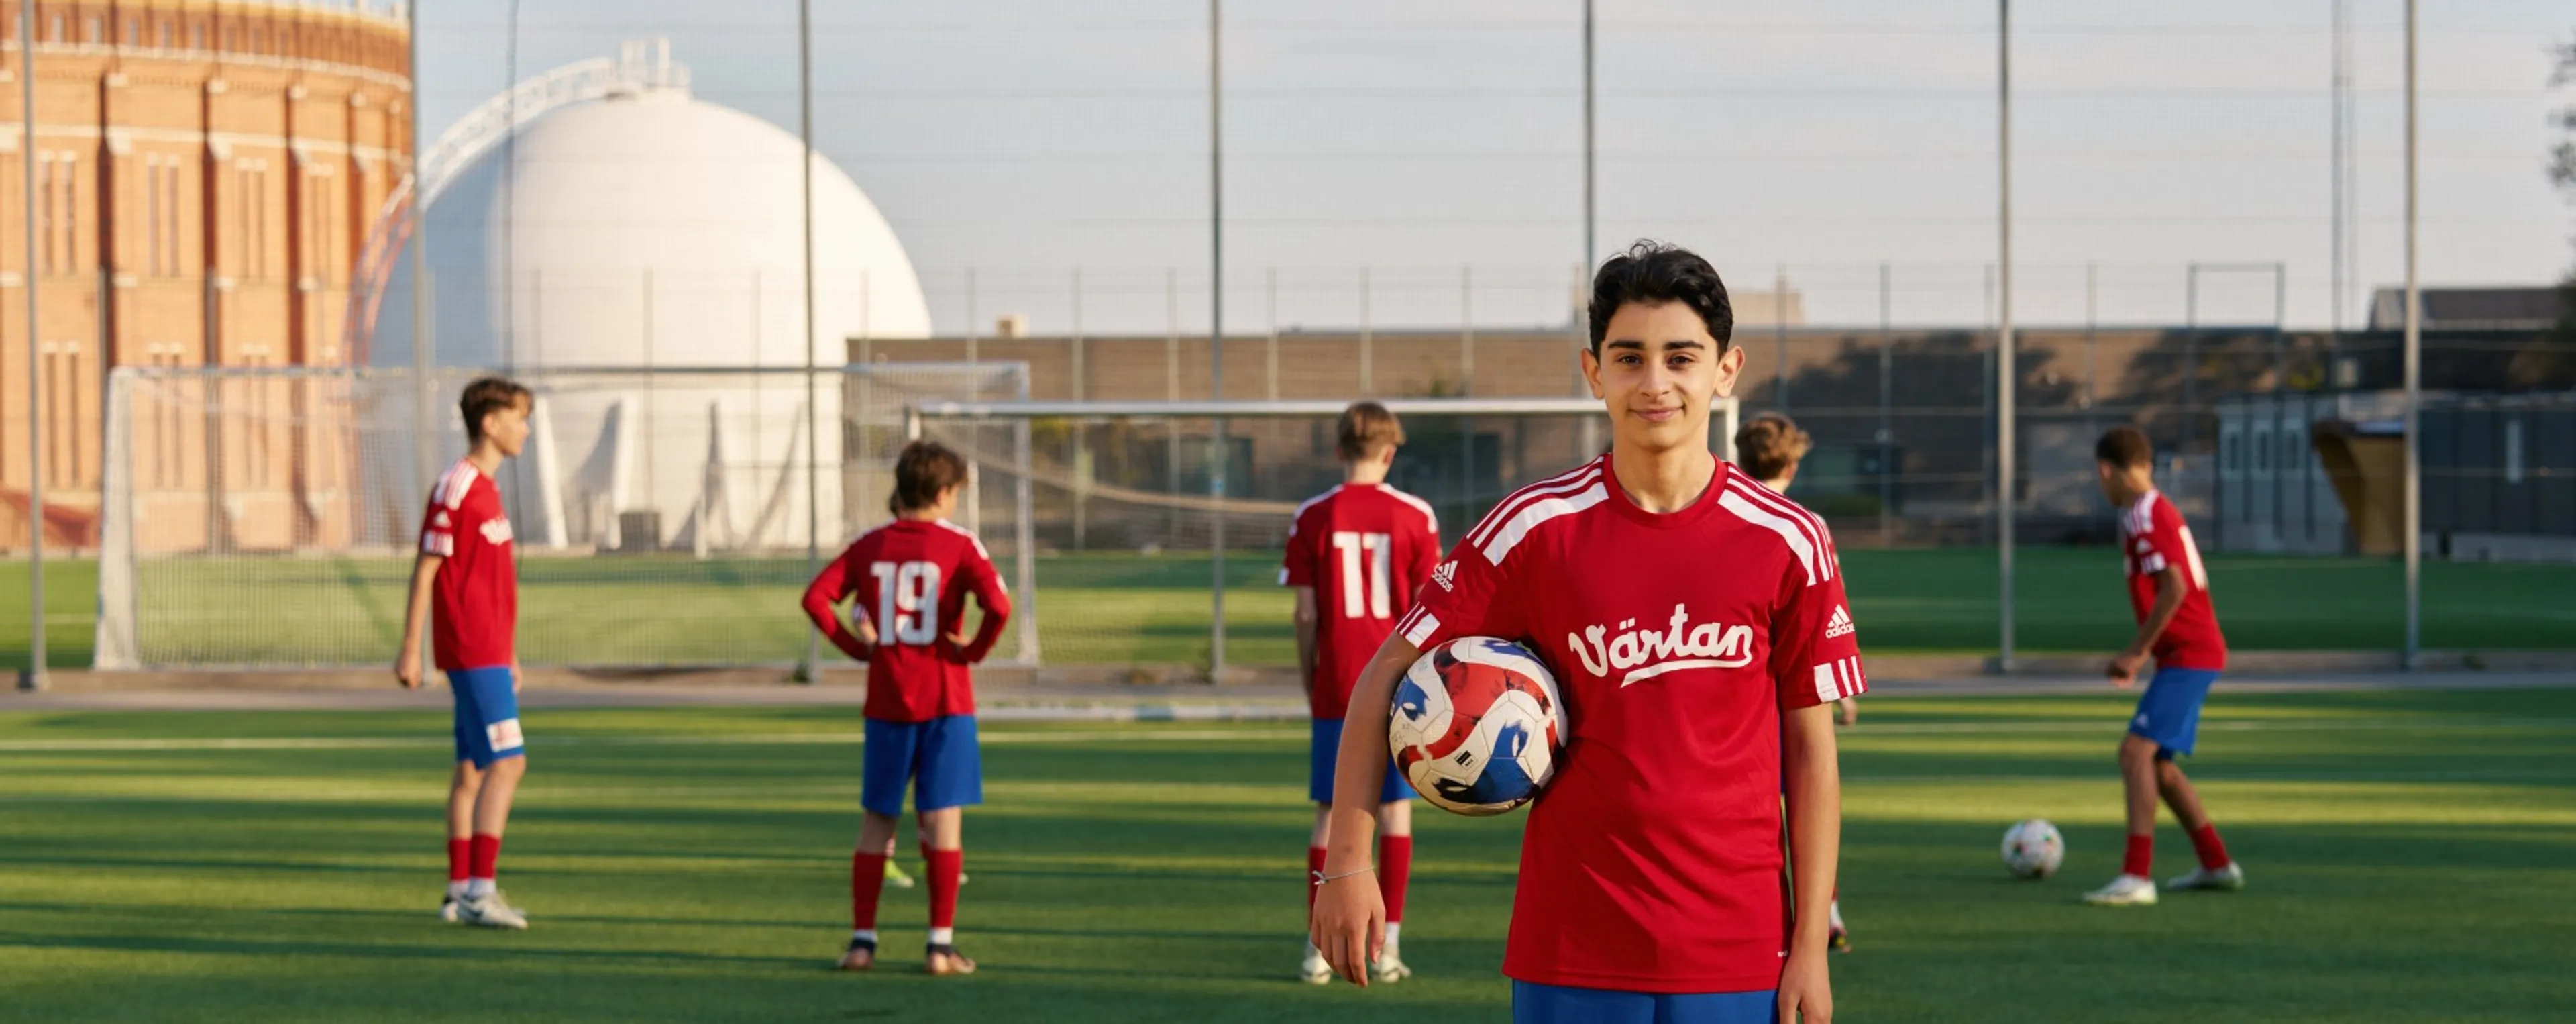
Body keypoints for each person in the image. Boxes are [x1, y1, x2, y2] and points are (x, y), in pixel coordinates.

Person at [1312, 241, 1865, 1024]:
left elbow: (1811, 751)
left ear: (1727, 369)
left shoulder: (1789, 538)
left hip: (1741, 945)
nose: (1656, 382)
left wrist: (1810, 939)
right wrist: (1345, 862)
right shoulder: (1535, 528)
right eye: (1630, 357)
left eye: (1681, 356)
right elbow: (1383, 675)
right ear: (1594, 371)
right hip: (1572, 944)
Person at [802, 440, 1012, 974]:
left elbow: (816, 599)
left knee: (877, 818)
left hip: (888, 699)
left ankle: (861, 943)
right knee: (943, 819)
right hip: (946, 698)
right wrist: (974, 651)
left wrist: (861, 650)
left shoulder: (869, 545)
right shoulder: (962, 545)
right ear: (944, 493)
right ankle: (940, 947)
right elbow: (999, 606)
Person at [1282, 402, 1442, 985]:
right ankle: (1389, 943)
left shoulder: (1313, 515)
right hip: (1402, 691)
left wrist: (1312, 678)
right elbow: (1432, 613)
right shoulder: (1415, 515)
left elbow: (1305, 614)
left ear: (1338, 451)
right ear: (1390, 451)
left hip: (1338, 684)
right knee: (1395, 811)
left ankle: (1317, 946)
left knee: (1331, 813)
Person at [2083, 427, 2245, 907]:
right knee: (2160, 768)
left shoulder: (2143, 514)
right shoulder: (2151, 510)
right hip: (2188, 654)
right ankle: (2217, 864)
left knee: (2134, 755)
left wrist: (2136, 652)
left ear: (2105, 470)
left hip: (2191, 654)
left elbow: (2173, 586)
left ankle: (2137, 876)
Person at [396, 376, 535, 931]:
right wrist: (412, 649)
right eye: (519, 417)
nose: (525, 428)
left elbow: (491, 582)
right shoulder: (456, 486)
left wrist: (511, 652)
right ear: (491, 422)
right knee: (510, 762)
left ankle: (458, 891)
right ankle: (483, 890)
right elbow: (427, 568)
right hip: (470, 651)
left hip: (491, 653)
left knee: (473, 771)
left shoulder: (490, 489)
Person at [1733, 411, 1854, 956]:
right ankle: (1823, 912)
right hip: (1789, 704)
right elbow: (1824, 625)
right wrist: (1841, 693)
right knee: (1806, 802)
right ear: (1795, 461)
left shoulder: (1721, 515)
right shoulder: (1804, 525)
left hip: (1735, 707)